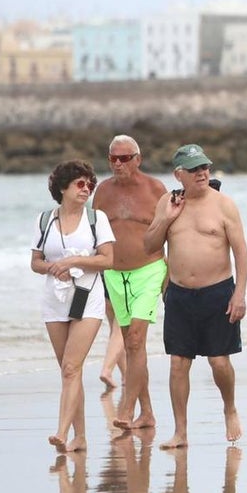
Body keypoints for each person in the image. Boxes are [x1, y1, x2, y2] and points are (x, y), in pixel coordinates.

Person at [144, 143, 247, 449]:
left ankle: (229, 408)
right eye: (194, 169)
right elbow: (149, 246)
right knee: (178, 363)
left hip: (218, 292)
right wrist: (166, 218)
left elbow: (241, 252)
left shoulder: (224, 205)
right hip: (178, 295)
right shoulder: (168, 202)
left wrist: (239, 294)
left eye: (204, 167)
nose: (202, 173)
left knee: (218, 362)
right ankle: (180, 432)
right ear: (179, 175)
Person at [31, 159, 116, 452]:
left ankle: (62, 433)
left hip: (87, 297)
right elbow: (35, 262)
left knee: (71, 367)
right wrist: (54, 267)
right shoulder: (45, 220)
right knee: (70, 371)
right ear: (63, 187)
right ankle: (80, 437)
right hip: (55, 300)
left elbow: (107, 260)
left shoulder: (97, 219)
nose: (87, 189)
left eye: (90, 184)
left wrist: (74, 261)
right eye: (80, 184)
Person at [93, 134, 167, 430]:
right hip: (113, 275)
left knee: (135, 340)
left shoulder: (155, 189)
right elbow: (94, 234)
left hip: (148, 271)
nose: (118, 164)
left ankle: (125, 409)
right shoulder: (102, 191)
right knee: (131, 345)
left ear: (138, 158)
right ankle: (147, 413)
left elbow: (171, 231)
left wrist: (170, 276)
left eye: (125, 158)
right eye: (113, 158)